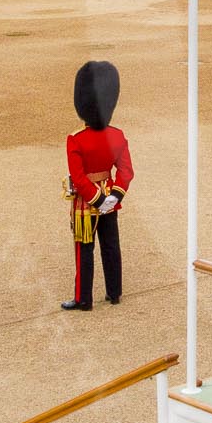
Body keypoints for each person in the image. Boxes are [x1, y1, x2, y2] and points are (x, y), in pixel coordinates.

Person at [63, 61, 133, 310]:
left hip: (86, 202)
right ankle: (114, 293)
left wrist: (96, 200)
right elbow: (126, 171)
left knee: (84, 250)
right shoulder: (117, 135)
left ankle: (84, 299)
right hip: (110, 200)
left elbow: (79, 177)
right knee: (111, 247)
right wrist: (112, 197)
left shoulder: (76, 140)